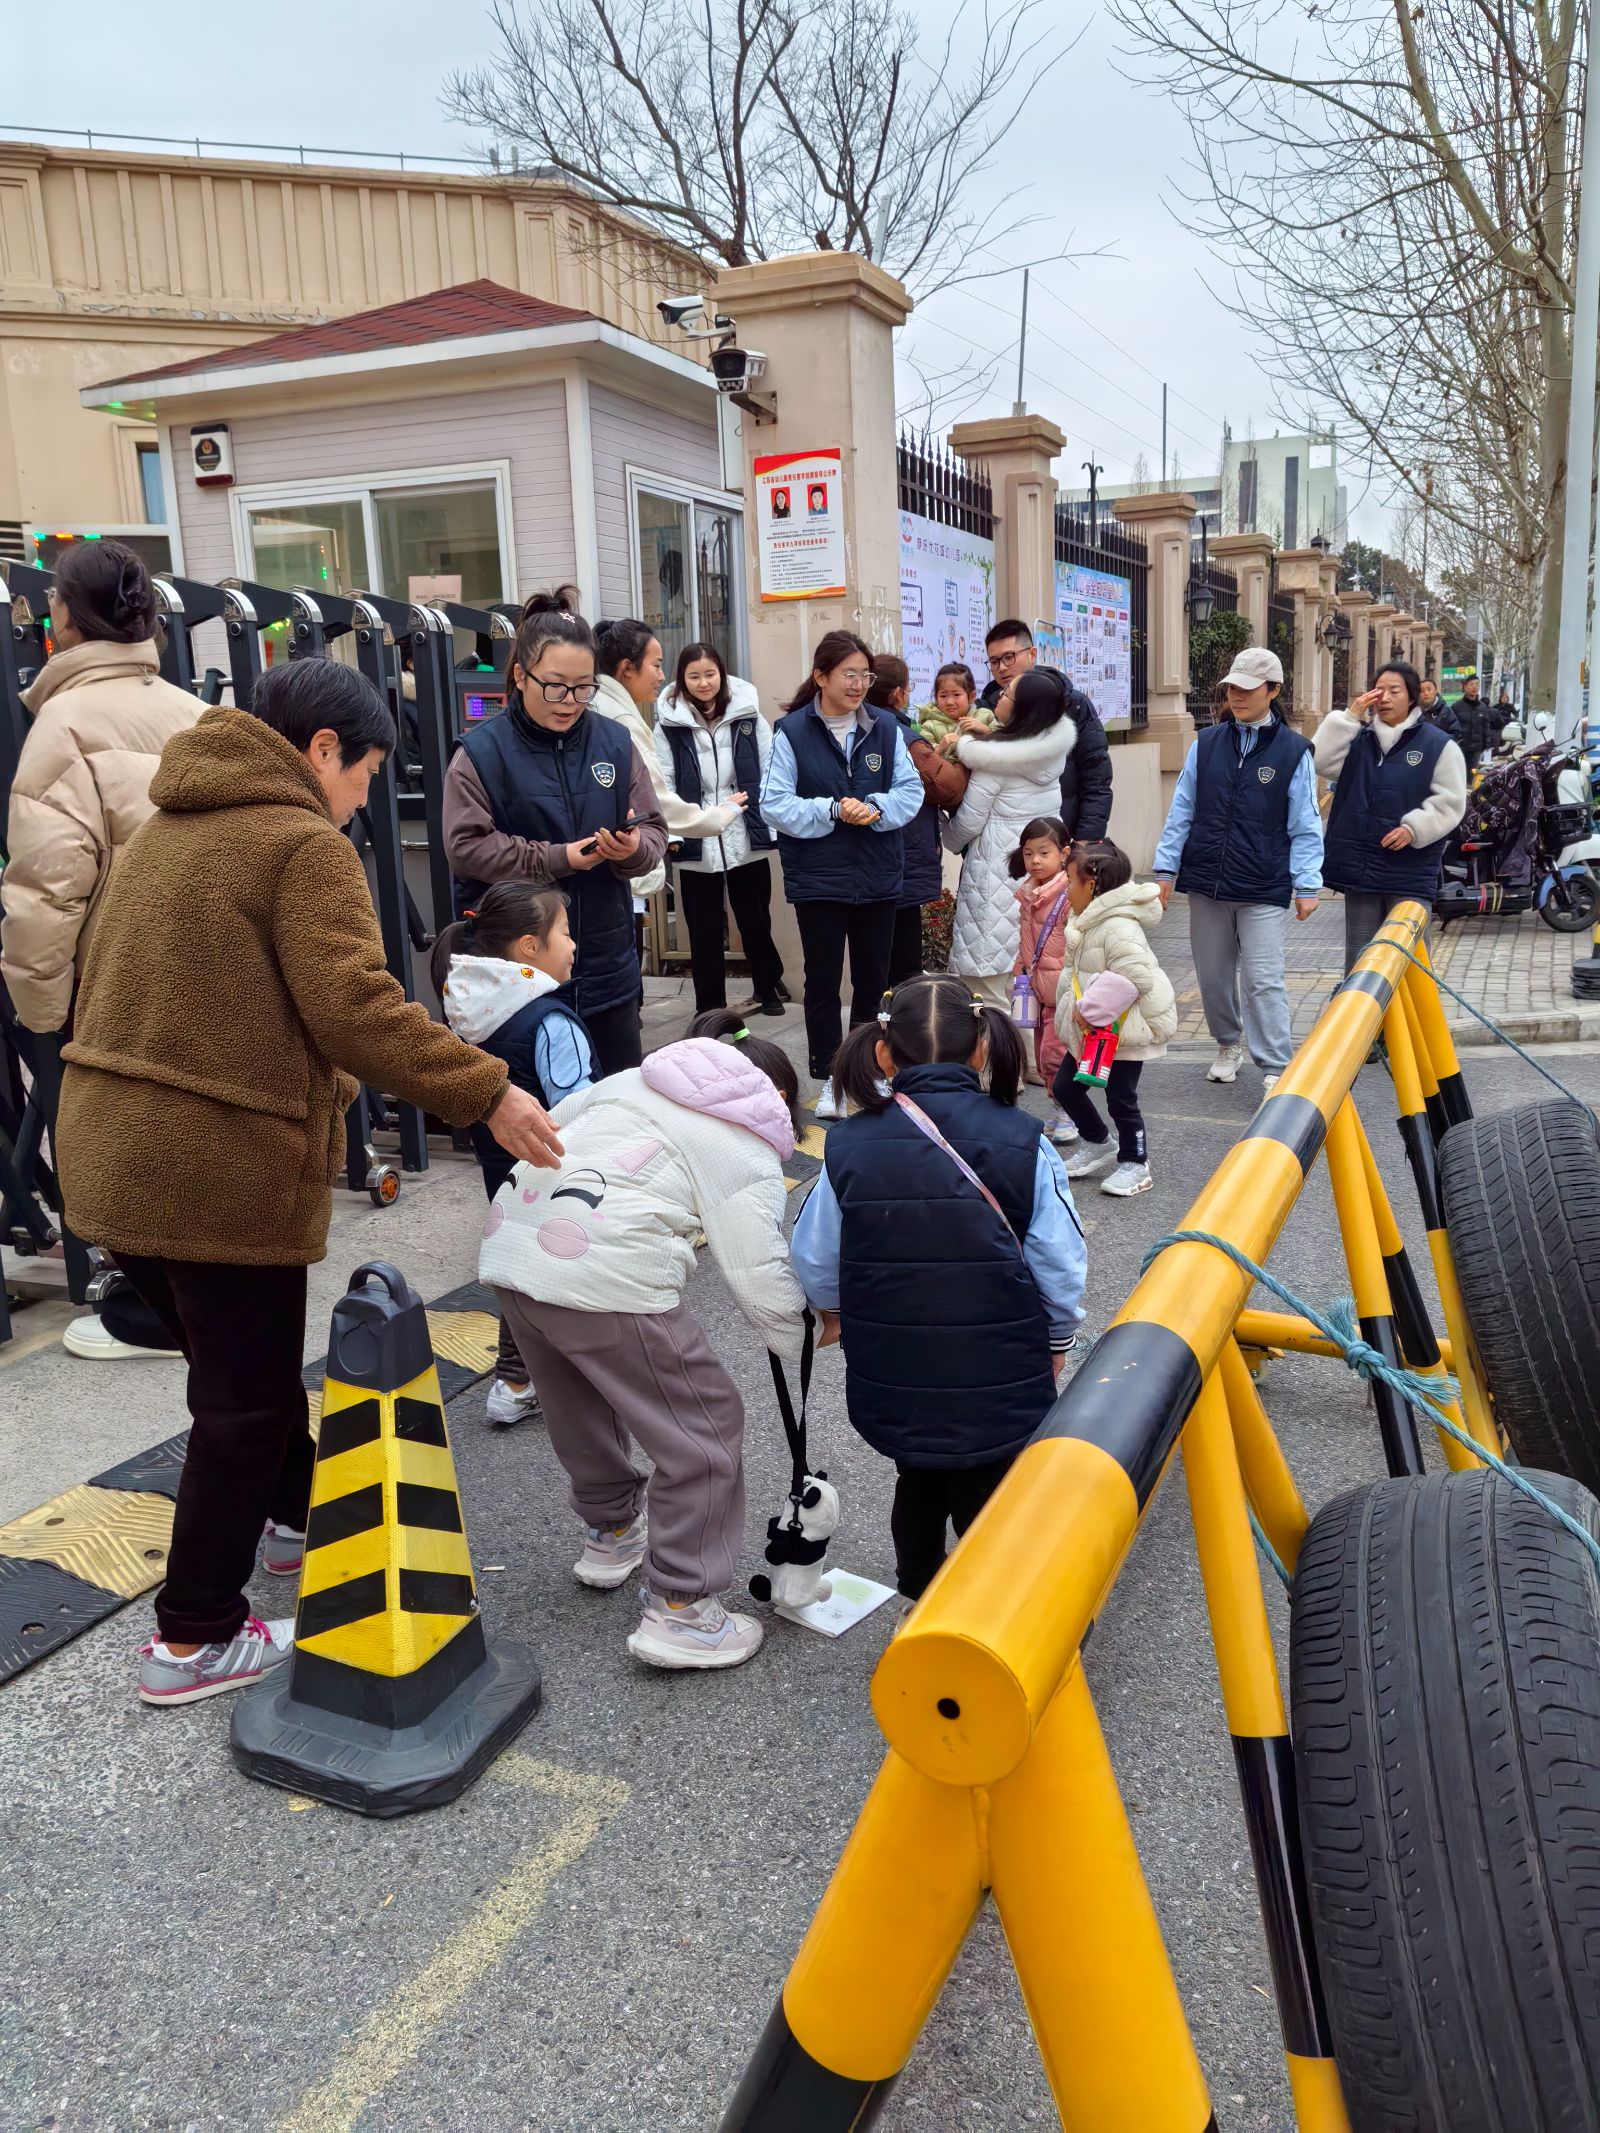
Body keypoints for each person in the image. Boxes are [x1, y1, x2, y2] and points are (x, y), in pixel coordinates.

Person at [53, 661, 564, 1706]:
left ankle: (304, 1519)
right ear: (323, 750)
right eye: (367, 771)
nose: (366, 796)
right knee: (238, 1402)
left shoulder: (164, 829)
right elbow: (357, 1009)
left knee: (244, 1374)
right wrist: (489, 1091)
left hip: (110, 1153)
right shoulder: (300, 845)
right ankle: (193, 1635)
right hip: (214, 1166)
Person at [480, 1012, 807, 1670]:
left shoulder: (625, 1084)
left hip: (511, 1248)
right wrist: (801, 1336)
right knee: (704, 1424)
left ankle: (612, 1533)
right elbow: (759, 1271)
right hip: (606, 1270)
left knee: (579, 1400)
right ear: (773, 1100)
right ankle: (683, 1611)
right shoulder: (739, 1137)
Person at [789, 974, 1085, 1602]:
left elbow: (814, 1256)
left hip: (894, 1362)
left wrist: (834, 1313)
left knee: (918, 1477)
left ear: (882, 1051)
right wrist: (1058, 1334)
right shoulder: (1024, 1140)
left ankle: (919, 1600)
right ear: (983, 1046)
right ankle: (995, 1612)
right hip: (1000, 1361)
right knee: (992, 1488)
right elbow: (1059, 1261)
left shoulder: (847, 1144)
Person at [0, 540, 204, 1364]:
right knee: (190, 1134)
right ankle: (193, 1302)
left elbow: (48, 890)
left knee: (121, 1153)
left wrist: (41, 1016)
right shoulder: (194, 711)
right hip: (200, 964)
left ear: (63, 620)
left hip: (112, 981)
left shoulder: (63, 723)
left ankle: (150, 1316)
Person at [443, 603, 667, 1075]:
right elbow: (466, 847)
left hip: (607, 967)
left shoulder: (615, 741)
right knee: (534, 1126)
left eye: (583, 687)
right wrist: (558, 858)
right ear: (521, 676)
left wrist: (632, 852)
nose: (569, 699)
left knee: (616, 1111)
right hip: (515, 977)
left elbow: (654, 830)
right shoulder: (480, 753)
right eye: (555, 685)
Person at [432, 882, 595, 1430]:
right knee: (558, 1269)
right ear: (529, 947)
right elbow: (578, 1108)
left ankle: (516, 1379)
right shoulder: (548, 1020)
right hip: (559, 1168)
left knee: (522, 1264)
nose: (573, 945)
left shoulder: (474, 1011)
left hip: (500, 1170)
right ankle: (527, 1379)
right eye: (565, 933)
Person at [759, 629, 924, 1118]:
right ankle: (831, 1077)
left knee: (874, 983)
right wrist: (833, 810)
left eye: (864, 675)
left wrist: (872, 807)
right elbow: (774, 803)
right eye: (848, 674)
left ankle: (868, 1071)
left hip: (876, 877)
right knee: (823, 984)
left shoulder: (887, 729)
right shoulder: (790, 732)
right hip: (820, 880)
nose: (857, 684)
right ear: (821, 676)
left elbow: (910, 794)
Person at [1152, 646, 1322, 1095]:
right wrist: (1165, 870)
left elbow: (1305, 823)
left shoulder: (1293, 752)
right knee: (1212, 976)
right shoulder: (1206, 744)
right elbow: (1181, 810)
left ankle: (1276, 1067)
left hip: (1263, 884)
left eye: (1248, 689)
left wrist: (1307, 883)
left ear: (1273, 691)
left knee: (1263, 979)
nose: (1238, 696)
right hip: (1207, 881)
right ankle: (1228, 1044)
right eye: (1232, 688)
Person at [652, 641, 786, 1016]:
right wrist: (676, 833)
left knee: (755, 918)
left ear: (722, 675)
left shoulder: (748, 716)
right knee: (703, 927)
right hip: (695, 827)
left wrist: (768, 823)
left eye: (710, 674)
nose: (703, 682)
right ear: (682, 679)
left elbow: (770, 767)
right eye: (694, 676)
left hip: (743, 825)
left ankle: (767, 988)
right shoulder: (668, 723)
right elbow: (663, 780)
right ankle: (710, 1005)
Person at [1314, 661, 1468, 970]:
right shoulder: (1358, 741)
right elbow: (1320, 759)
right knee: (1361, 959)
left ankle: (1413, 1021)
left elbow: (1451, 801)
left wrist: (1414, 829)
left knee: (1409, 961)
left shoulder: (1438, 745)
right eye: (1379, 690)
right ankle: (1366, 1019)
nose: (1384, 697)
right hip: (1361, 871)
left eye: (1394, 691)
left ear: (1412, 697)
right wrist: (1349, 717)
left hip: (1409, 870)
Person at [944, 667, 1077, 1009]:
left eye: (1007, 695)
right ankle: (1033, 1060)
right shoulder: (1050, 754)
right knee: (1031, 977)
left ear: (1023, 710)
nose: (999, 696)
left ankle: (1003, 1059)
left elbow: (968, 824)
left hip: (996, 870)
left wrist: (944, 830)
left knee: (989, 986)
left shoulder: (994, 761)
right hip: (1041, 871)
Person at [1054, 838, 1178, 1199]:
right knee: (1065, 1087)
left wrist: (1087, 1009)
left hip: (1122, 1032)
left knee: (1121, 1097)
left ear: (1091, 885)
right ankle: (1097, 1142)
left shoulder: (1118, 925)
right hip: (1095, 1032)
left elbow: (1133, 977)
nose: (1065, 886)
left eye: (1070, 880)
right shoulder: (1090, 918)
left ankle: (1136, 1163)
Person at [980, 619, 1113, 841]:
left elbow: (1096, 779)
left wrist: (1086, 842)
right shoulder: (985, 711)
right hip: (999, 847)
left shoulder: (1073, 705)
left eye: (1009, 657)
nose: (1002, 668)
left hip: (1060, 842)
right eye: (994, 661)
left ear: (1032, 654)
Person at [869, 653, 946, 988]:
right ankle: (905, 1021)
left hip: (872, 855)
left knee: (878, 954)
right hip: (905, 851)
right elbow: (946, 786)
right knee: (905, 956)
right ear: (898, 693)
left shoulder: (861, 727)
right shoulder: (904, 736)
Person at [1010, 815, 1075, 1131]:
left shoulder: (1069, 895)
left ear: (1064, 853)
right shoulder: (1029, 894)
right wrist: (1020, 973)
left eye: (1043, 852)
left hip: (1064, 992)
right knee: (1042, 1053)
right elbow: (1027, 942)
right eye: (1028, 853)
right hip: (1037, 989)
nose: (1034, 860)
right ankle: (1062, 1109)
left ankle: (1070, 1113)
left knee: (1053, 1055)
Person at [918, 661, 995, 752]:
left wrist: (986, 731)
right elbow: (924, 757)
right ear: (936, 698)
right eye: (943, 696)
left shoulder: (985, 716)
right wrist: (939, 748)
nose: (949, 702)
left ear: (971, 696)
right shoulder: (929, 726)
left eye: (956, 694)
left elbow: (1004, 745)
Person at [1447, 673, 1492, 764]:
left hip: (1476, 749)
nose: (1474, 687)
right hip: (1461, 748)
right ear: (1465, 687)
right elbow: (1451, 727)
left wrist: (1487, 744)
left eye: (1477, 684)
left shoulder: (1483, 707)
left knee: (1473, 773)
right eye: (1471, 684)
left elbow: (1486, 727)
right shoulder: (1456, 707)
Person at [1419, 676, 1461, 746]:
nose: (1426, 693)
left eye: (1429, 689)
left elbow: (1456, 734)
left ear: (1435, 691)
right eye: (1422, 691)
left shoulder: (1446, 711)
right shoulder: (1417, 712)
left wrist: (1437, 741)